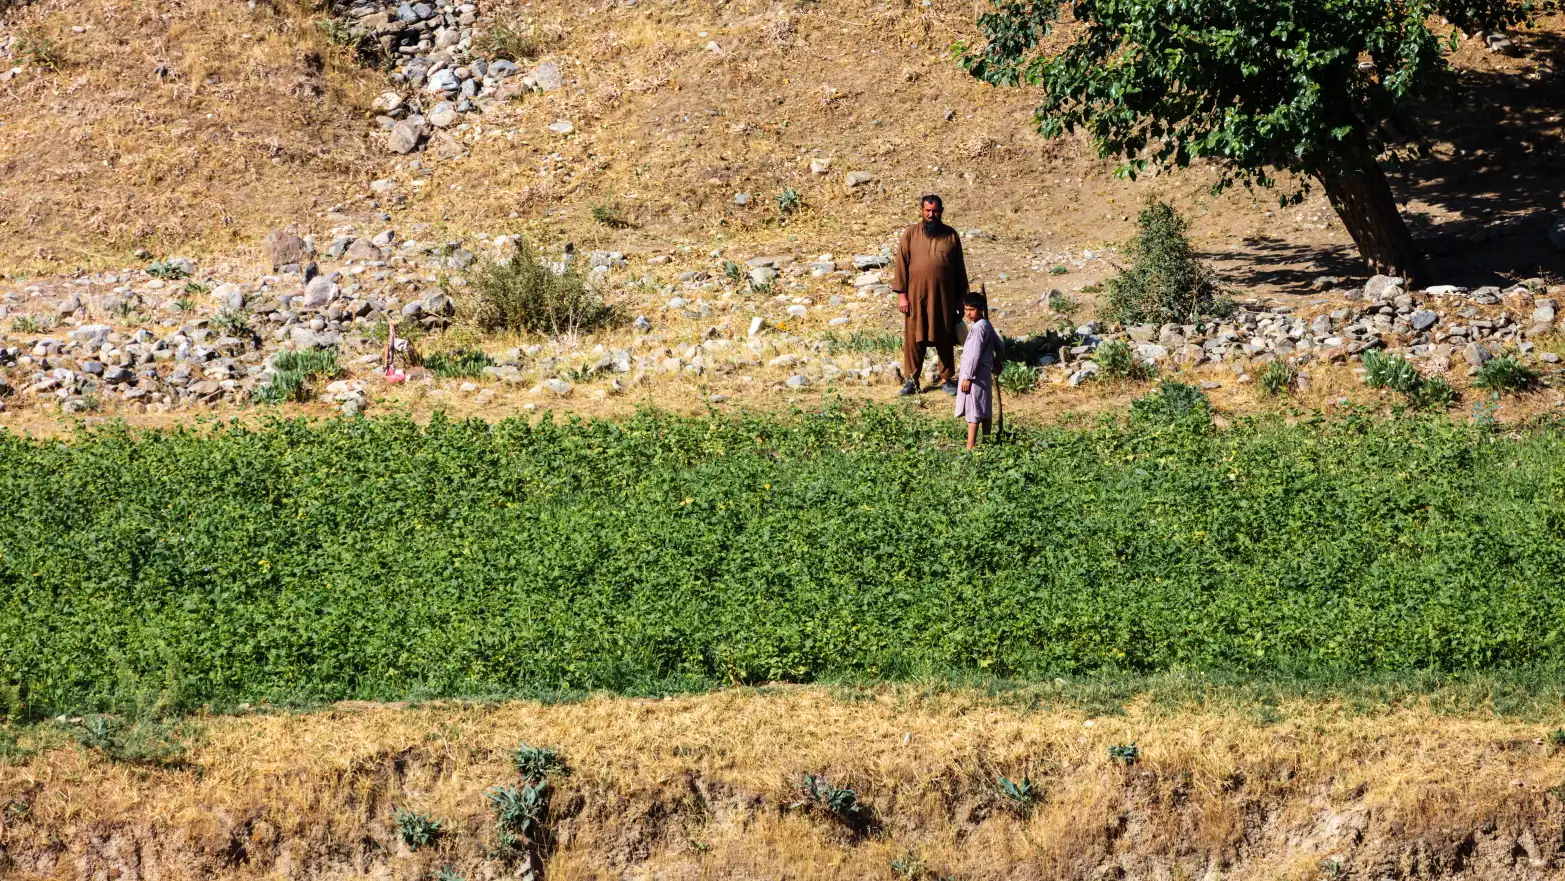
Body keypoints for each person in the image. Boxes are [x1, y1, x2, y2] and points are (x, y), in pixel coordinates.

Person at [892, 194, 969, 397]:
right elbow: (901, 265)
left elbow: (959, 268)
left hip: (944, 296)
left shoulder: (951, 235)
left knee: (944, 335)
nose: (931, 214)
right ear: (921, 211)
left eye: (934, 211)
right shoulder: (910, 234)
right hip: (916, 296)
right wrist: (902, 295)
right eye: (927, 211)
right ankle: (912, 381)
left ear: (941, 211)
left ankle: (947, 379)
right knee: (913, 338)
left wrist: (961, 298)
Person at [955, 291, 1004, 450]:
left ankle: (970, 448)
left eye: (972, 309)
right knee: (984, 407)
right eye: (966, 309)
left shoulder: (977, 329)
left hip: (974, 375)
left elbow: (974, 355)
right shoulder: (986, 324)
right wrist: (997, 363)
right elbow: (1000, 346)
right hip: (984, 373)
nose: (968, 313)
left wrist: (968, 377)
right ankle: (987, 443)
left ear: (981, 309)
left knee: (973, 411)